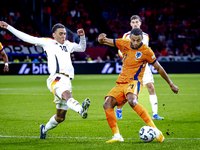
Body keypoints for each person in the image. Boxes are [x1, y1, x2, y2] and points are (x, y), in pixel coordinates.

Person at [0, 21, 90, 139]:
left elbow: (82, 48)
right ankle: (80, 109)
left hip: (67, 81)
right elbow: (27, 38)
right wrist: (9, 27)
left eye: (65, 34)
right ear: (54, 34)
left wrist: (82, 36)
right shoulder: (48, 42)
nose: (64, 36)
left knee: (60, 117)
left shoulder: (68, 44)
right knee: (67, 95)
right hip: (56, 79)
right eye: (61, 34)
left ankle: (44, 128)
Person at [98, 28, 178, 143]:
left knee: (132, 100)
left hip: (134, 81)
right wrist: (100, 38)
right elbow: (103, 41)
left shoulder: (146, 50)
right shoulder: (123, 43)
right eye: (134, 40)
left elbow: (159, 68)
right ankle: (117, 136)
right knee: (107, 104)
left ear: (142, 39)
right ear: (130, 37)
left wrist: (171, 84)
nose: (136, 43)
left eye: (138, 40)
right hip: (121, 82)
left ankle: (155, 130)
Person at [116, 15, 164, 120]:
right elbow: (120, 49)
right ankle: (119, 108)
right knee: (128, 90)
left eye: (137, 22)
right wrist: (124, 58)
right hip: (131, 67)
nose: (135, 24)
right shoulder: (126, 36)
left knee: (151, 87)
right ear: (130, 24)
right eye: (133, 22)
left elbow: (145, 50)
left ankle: (155, 114)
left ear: (140, 23)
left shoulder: (146, 36)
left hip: (144, 67)